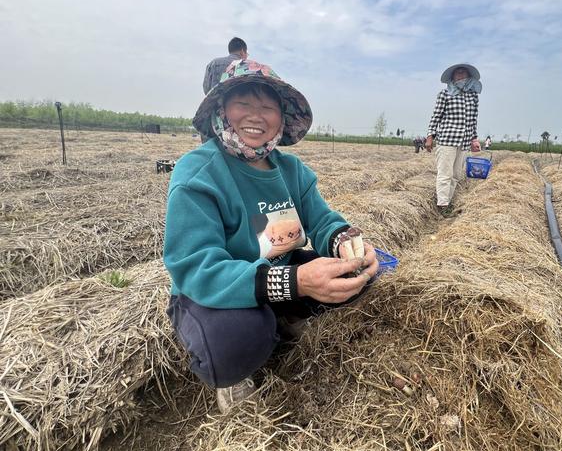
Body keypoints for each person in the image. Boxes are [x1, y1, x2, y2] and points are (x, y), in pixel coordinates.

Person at [164, 59, 379, 414]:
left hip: (282, 271)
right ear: (221, 110)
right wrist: (295, 282)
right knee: (240, 337)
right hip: (213, 292)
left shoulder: (292, 170)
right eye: (243, 104)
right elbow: (196, 267)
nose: (256, 116)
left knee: (358, 275)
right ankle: (235, 371)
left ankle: (284, 317)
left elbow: (322, 219)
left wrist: (345, 240)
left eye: (267, 107)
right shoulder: (198, 173)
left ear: (282, 117)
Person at [425, 63, 482, 217]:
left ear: (468, 76)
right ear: (452, 77)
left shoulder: (473, 96)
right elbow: (436, 116)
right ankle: (442, 206)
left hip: (463, 141)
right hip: (447, 139)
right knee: (445, 173)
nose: (460, 75)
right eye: (457, 73)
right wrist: (430, 136)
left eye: (463, 73)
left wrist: (474, 139)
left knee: (456, 175)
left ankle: (446, 202)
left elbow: (472, 120)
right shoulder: (445, 94)